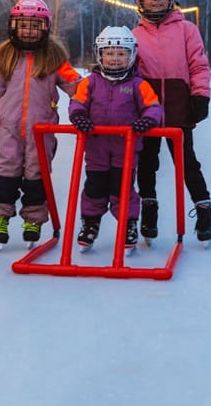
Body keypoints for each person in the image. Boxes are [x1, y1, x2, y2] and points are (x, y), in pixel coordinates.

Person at [0, 0, 81, 249]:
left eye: (35, 26)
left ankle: (33, 220)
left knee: (37, 175)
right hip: (10, 129)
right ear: (13, 27)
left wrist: (99, 99)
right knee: (6, 172)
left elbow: (78, 87)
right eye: (23, 25)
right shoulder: (6, 57)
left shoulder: (54, 59)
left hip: (41, 131)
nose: (28, 30)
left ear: (45, 28)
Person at [132, 0, 211, 243]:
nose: (155, 0)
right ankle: (149, 209)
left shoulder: (186, 30)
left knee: (186, 162)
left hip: (179, 105)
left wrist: (200, 95)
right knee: (146, 162)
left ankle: (204, 210)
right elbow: (125, 69)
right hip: (147, 108)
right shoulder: (133, 35)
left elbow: (199, 65)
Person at [68, 26, 163, 249]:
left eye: (121, 54)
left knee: (121, 189)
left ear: (131, 56)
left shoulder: (138, 84)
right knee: (94, 187)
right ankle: (90, 223)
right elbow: (76, 103)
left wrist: (148, 120)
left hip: (126, 149)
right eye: (110, 53)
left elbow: (154, 107)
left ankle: (128, 225)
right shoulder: (89, 82)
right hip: (96, 147)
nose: (115, 59)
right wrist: (79, 116)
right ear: (100, 55)